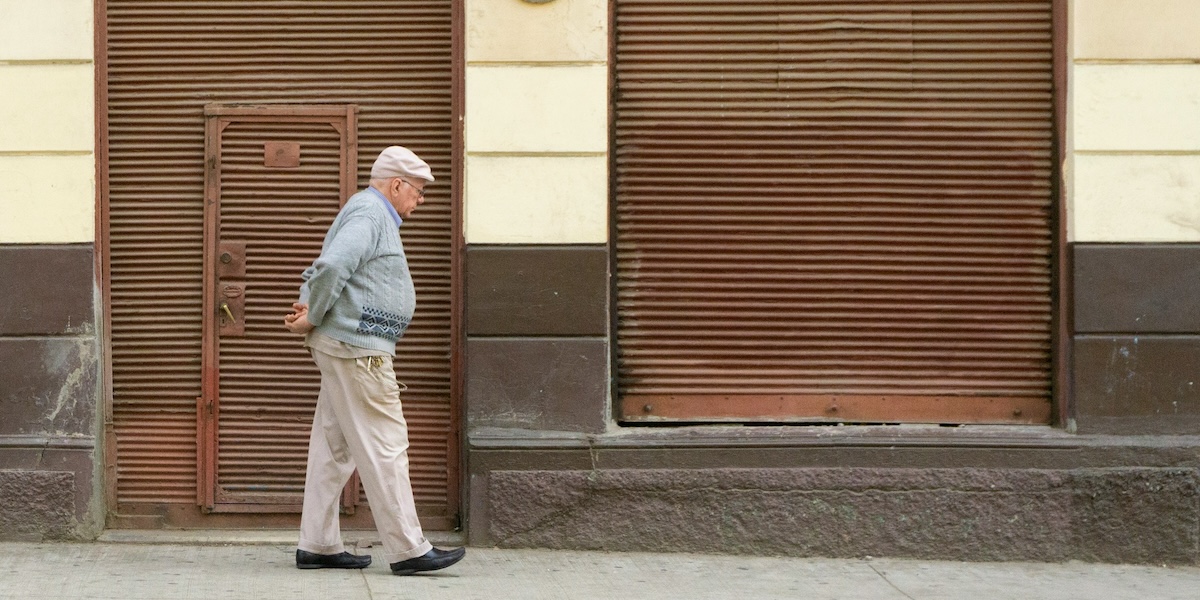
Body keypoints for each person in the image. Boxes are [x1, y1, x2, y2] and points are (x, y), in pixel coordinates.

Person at [283, 145, 465, 575]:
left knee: (334, 447)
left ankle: (318, 544)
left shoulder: (367, 212)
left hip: (348, 348)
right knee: (386, 445)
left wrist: (314, 310)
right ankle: (409, 549)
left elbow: (325, 268)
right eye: (418, 190)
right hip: (358, 350)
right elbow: (332, 266)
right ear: (396, 184)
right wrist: (316, 316)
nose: (420, 199)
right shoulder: (370, 213)